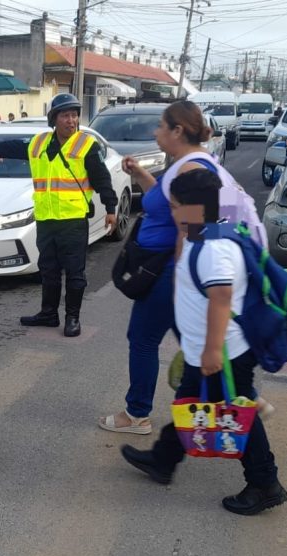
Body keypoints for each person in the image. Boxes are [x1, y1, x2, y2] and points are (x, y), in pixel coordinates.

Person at [121, 168, 287, 516]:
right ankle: (164, 459)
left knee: (238, 414)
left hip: (223, 351)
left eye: (175, 205)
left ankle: (264, 482)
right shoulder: (207, 231)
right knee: (190, 401)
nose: (172, 212)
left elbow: (221, 297)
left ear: (192, 208)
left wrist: (211, 349)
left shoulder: (214, 247)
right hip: (210, 349)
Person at [99, 100, 213, 435]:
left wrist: (181, 279)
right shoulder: (182, 165)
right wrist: (141, 174)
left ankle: (136, 415)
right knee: (192, 341)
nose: (155, 132)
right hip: (169, 270)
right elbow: (165, 203)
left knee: (143, 339)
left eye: (161, 126)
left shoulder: (191, 170)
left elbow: (191, 229)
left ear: (178, 130)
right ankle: (235, 398)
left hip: (168, 270)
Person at [17, 93, 117, 337]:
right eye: (65, 115)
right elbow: (7, 148)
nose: (71, 120)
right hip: (45, 219)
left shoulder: (86, 146)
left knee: (74, 272)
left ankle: (72, 318)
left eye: (74, 115)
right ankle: (49, 313)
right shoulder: (37, 144)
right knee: (48, 270)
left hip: (73, 221)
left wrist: (111, 209)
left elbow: (102, 180)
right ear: (54, 118)